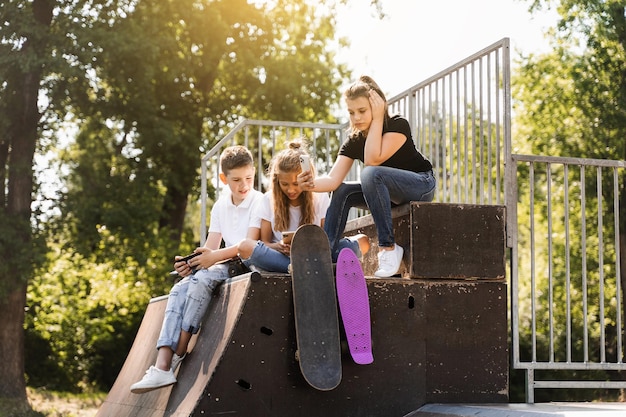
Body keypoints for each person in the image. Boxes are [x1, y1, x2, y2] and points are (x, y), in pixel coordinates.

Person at [130, 145, 263, 394]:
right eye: (236, 180)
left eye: (248, 178)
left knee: (202, 280)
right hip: (224, 262)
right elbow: (210, 247)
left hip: (245, 263)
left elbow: (248, 246)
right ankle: (161, 365)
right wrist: (192, 263)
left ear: (254, 173)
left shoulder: (259, 201)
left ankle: (178, 353)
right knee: (181, 287)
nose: (243, 185)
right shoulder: (220, 206)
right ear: (224, 179)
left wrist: (210, 261)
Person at [298, 75, 436, 277]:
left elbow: (373, 159)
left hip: (420, 185)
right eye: (351, 112)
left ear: (377, 105)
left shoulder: (398, 125)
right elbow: (332, 180)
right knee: (343, 190)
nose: (356, 118)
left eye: (362, 111)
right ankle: (324, 253)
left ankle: (388, 248)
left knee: (371, 173)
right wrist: (309, 184)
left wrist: (379, 118)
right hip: (389, 196)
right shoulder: (354, 140)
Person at [238, 139, 330, 273]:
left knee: (358, 243)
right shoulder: (267, 200)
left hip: (313, 257)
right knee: (245, 246)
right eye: (285, 184)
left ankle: (301, 269)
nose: (291, 190)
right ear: (277, 182)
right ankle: (299, 270)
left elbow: (326, 239)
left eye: (295, 183)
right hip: (282, 259)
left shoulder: (320, 196)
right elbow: (266, 243)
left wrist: (307, 247)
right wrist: (279, 246)